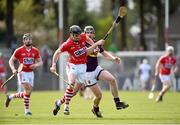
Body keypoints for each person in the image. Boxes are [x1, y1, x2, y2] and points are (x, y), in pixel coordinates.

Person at [73, 25, 129, 118]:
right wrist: (95, 46)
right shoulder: (81, 43)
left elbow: (104, 53)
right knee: (99, 96)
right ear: (84, 34)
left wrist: (113, 58)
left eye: (91, 32)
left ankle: (117, 102)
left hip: (96, 69)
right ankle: (95, 108)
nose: (90, 34)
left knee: (112, 80)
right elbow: (86, 52)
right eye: (88, 32)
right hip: (88, 73)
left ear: (94, 34)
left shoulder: (96, 43)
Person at [50, 25, 105, 116]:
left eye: (78, 34)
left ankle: (59, 103)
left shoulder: (82, 36)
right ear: (71, 35)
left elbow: (88, 40)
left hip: (83, 66)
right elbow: (57, 53)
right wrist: (53, 65)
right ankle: (66, 107)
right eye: (75, 35)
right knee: (71, 83)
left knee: (74, 91)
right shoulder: (67, 44)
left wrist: (94, 46)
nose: (78, 37)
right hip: (72, 65)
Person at [5, 32, 43, 116]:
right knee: (27, 90)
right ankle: (27, 111)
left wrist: (36, 65)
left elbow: (41, 62)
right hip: (22, 72)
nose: (28, 40)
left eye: (29, 39)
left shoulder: (35, 51)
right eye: (26, 39)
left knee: (28, 93)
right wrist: (13, 69)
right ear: (23, 41)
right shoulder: (18, 50)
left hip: (31, 73)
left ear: (31, 40)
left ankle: (10, 97)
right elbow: (11, 61)